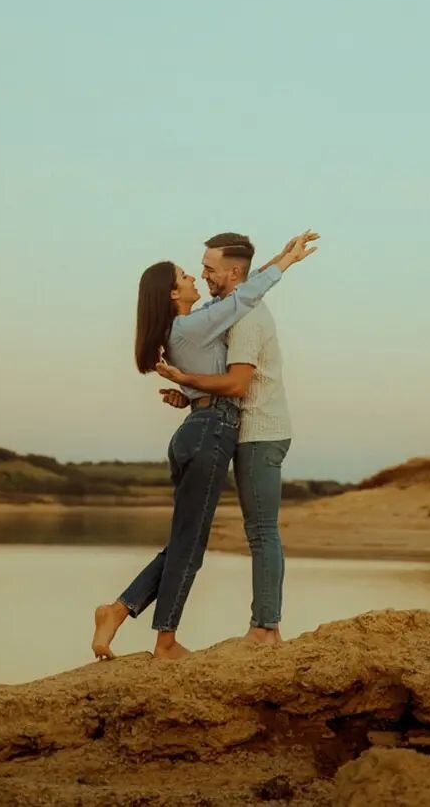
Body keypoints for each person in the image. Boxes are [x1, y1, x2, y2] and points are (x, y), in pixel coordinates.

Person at [91, 230, 318, 661]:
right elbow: (234, 367)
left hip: (209, 425)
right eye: (188, 274)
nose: (198, 275)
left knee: (186, 540)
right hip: (212, 428)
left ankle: (120, 610)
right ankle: (166, 640)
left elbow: (244, 288)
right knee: (193, 544)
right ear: (173, 294)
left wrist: (281, 258)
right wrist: (192, 385)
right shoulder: (200, 323)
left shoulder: (210, 316)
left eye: (205, 269)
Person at [156, 232, 294, 646]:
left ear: (232, 272)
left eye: (209, 268)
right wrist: (191, 395)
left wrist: (187, 379)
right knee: (258, 529)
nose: (202, 274)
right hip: (243, 430)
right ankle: (265, 625)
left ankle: (264, 627)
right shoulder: (228, 308)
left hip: (259, 431)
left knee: (262, 530)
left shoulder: (247, 319)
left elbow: (236, 385)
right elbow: (253, 280)